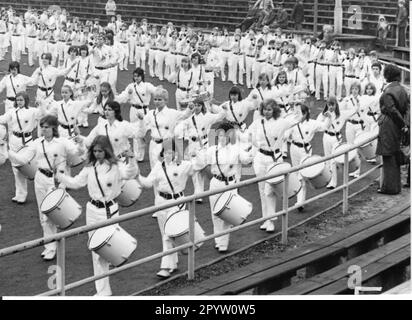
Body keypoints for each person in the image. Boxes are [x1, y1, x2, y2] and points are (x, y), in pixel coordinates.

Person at [57, 135, 138, 296]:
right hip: (92, 210)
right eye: (94, 151)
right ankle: (103, 290)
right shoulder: (90, 167)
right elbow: (76, 183)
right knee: (95, 250)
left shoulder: (115, 166)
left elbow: (129, 173)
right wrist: (60, 176)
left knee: (107, 249)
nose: (97, 154)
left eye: (100, 151)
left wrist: (132, 159)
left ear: (106, 150)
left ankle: (116, 262)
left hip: (109, 210)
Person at [8, 115, 85, 261]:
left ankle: (53, 245)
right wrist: (8, 152)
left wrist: (80, 142)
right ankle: (50, 246)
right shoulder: (37, 143)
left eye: (46, 127)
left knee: (53, 215)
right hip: (40, 179)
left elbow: (78, 153)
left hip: (56, 180)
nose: (43, 129)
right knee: (43, 215)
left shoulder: (62, 142)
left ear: (53, 128)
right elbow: (23, 159)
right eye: (42, 126)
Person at [137, 139, 196, 279]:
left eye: (172, 151)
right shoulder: (158, 166)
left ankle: (165, 267)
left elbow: (197, 167)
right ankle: (173, 263)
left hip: (176, 202)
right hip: (161, 202)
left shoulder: (184, 165)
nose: (169, 154)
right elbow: (147, 183)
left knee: (167, 235)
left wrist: (197, 153)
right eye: (166, 151)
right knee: (165, 233)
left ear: (176, 152)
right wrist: (136, 173)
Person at [198, 122, 253, 251]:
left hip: (230, 184)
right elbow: (202, 161)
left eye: (225, 135)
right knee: (215, 213)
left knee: (227, 214)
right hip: (216, 183)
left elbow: (245, 159)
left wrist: (250, 155)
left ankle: (223, 243)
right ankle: (218, 240)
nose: (222, 138)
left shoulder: (236, 148)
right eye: (220, 135)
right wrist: (196, 155)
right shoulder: (212, 150)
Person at [249, 99, 303, 232]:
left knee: (270, 190)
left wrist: (299, 108)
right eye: (265, 109)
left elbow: (297, 119)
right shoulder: (257, 122)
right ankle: (265, 219)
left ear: (274, 110)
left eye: (269, 109)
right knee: (262, 190)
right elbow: (248, 134)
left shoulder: (281, 122)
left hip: (273, 159)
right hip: (260, 158)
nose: (266, 112)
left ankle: (271, 220)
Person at [0, 92, 42, 203]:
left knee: (28, 168)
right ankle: (20, 195)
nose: (19, 102)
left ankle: (43, 189)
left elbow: (43, 114)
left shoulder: (32, 111)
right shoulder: (12, 111)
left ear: (26, 100)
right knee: (16, 169)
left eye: (21, 100)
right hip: (14, 141)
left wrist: (41, 104)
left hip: (27, 141)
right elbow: (2, 119)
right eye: (17, 100)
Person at [376, 64, 410, 194]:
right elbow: (406, 109)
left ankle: (390, 187)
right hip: (397, 125)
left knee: (388, 156)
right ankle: (394, 186)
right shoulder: (402, 89)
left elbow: (391, 110)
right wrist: (404, 125)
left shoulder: (388, 91)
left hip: (389, 125)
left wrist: (402, 125)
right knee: (394, 155)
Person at [116, 68, 156, 161]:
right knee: (134, 131)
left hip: (144, 110)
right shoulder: (130, 86)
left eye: (138, 76)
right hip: (133, 109)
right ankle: (137, 155)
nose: (136, 78)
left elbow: (155, 91)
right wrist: (115, 97)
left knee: (143, 132)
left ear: (142, 76)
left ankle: (141, 152)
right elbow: (123, 96)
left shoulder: (147, 86)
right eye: (135, 76)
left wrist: (160, 90)